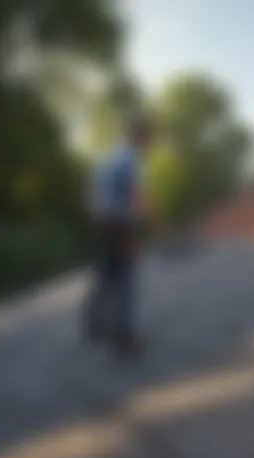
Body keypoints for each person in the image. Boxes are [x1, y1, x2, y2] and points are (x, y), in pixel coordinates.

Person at [83, 116, 153, 359]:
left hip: (101, 223)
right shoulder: (130, 160)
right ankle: (124, 337)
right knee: (126, 279)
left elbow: (91, 193)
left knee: (105, 275)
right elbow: (134, 193)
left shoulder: (105, 159)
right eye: (148, 139)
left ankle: (94, 326)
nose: (150, 145)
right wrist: (151, 219)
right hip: (119, 223)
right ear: (139, 137)